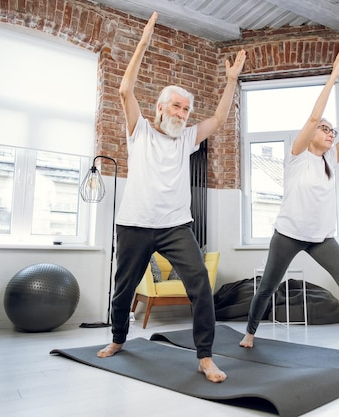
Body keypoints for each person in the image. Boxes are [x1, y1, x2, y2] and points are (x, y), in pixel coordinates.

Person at [96, 11, 246, 383]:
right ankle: (118, 338)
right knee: (123, 288)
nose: (182, 112)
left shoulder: (186, 140)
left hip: (176, 226)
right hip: (134, 224)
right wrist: (143, 43)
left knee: (200, 287)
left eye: (186, 108)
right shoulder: (140, 132)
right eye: (176, 106)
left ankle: (205, 356)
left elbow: (220, 119)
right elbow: (124, 90)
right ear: (160, 107)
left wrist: (231, 81)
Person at [239, 48, 339, 365]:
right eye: (324, 128)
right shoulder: (297, 156)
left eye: (331, 130)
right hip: (289, 233)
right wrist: (332, 77)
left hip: (321, 236)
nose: (330, 133)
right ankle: (250, 332)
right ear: (310, 136)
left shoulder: (330, 159)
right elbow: (312, 117)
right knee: (267, 286)